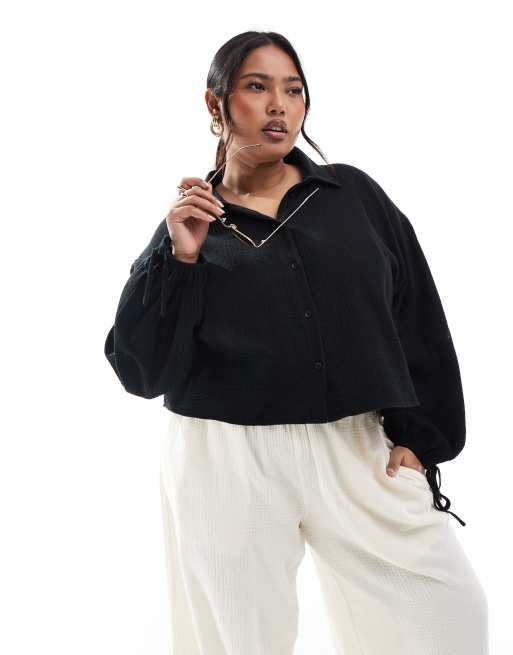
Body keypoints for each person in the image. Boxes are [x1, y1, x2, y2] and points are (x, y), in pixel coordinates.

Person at [104, 31, 489, 655]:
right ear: (216, 104)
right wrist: (181, 258)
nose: (279, 105)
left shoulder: (352, 196)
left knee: (447, 617)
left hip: (356, 447)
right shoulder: (189, 224)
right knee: (238, 642)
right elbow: (142, 371)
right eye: (257, 87)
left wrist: (423, 438)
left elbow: (415, 311)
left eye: (294, 89)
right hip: (226, 457)